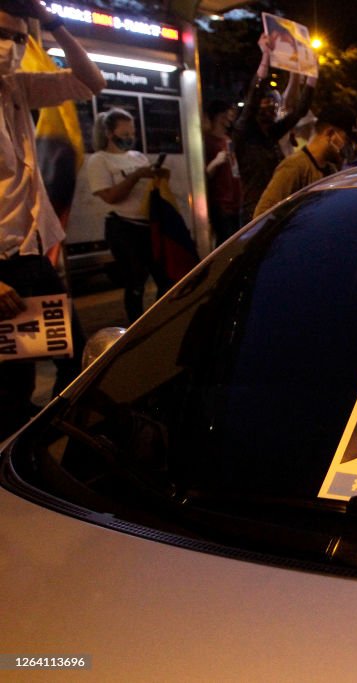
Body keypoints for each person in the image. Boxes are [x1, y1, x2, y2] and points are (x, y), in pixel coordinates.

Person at [0, 0, 105, 440]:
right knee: (11, 386)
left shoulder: (17, 89)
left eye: (22, 38)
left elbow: (91, 82)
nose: (14, 47)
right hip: (1, 273)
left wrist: (53, 22)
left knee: (75, 361)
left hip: (31, 259)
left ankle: (48, 446)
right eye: (6, 34)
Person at [85, 108, 170, 323]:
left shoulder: (137, 156)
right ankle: (135, 325)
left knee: (165, 278)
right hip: (123, 227)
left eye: (132, 133)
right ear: (109, 134)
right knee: (135, 281)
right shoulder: (99, 160)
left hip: (147, 225)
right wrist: (137, 175)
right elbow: (111, 196)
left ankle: (160, 320)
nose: (130, 138)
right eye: (124, 135)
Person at [233, 33, 316, 222]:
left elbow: (299, 112)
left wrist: (312, 74)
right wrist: (266, 57)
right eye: (266, 102)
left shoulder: (270, 134)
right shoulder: (243, 130)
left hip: (273, 207)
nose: (271, 107)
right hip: (253, 214)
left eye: (273, 103)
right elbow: (253, 97)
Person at [254, 105, 357, 216]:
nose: (348, 147)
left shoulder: (330, 170)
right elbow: (263, 214)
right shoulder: (295, 166)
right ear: (330, 133)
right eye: (346, 140)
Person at [203, 100, 241, 245]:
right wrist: (216, 162)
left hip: (235, 202)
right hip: (220, 204)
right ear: (220, 116)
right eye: (228, 114)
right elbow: (203, 176)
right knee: (226, 245)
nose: (231, 118)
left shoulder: (227, 140)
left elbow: (234, 170)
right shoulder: (207, 141)